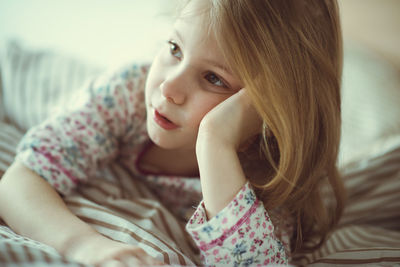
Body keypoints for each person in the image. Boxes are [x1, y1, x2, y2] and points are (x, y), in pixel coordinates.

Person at [0, 0, 345, 266]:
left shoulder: (267, 179)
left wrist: (216, 141)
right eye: (175, 49)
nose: (169, 86)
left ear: (266, 108)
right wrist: (85, 245)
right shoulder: (129, 92)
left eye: (214, 78)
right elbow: (19, 182)